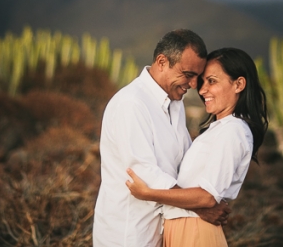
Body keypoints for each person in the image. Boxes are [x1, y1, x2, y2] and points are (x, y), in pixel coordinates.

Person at [93, 29, 231, 247]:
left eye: (198, 76)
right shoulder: (131, 104)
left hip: (165, 230)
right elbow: (143, 174)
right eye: (188, 74)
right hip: (129, 233)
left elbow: (182, 163)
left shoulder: (175, 104)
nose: (194, 84)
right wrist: (201, 207)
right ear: (161, 62)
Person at [126, 47, 268, 247]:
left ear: (239, 84)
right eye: (202, 82)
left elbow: (208, 197)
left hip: (195, 231)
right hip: (184, 228)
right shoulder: (219, 129)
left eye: (212, 81)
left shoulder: (232, 131)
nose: (201, 90)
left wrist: (148, 193)